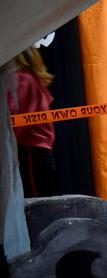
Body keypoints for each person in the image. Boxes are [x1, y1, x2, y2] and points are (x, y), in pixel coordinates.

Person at [10, 47, 56, 197]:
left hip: (30, 151)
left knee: (34, 204)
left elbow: (17, 120)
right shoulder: (33, 79)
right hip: (38, 152)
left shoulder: (23, 79)